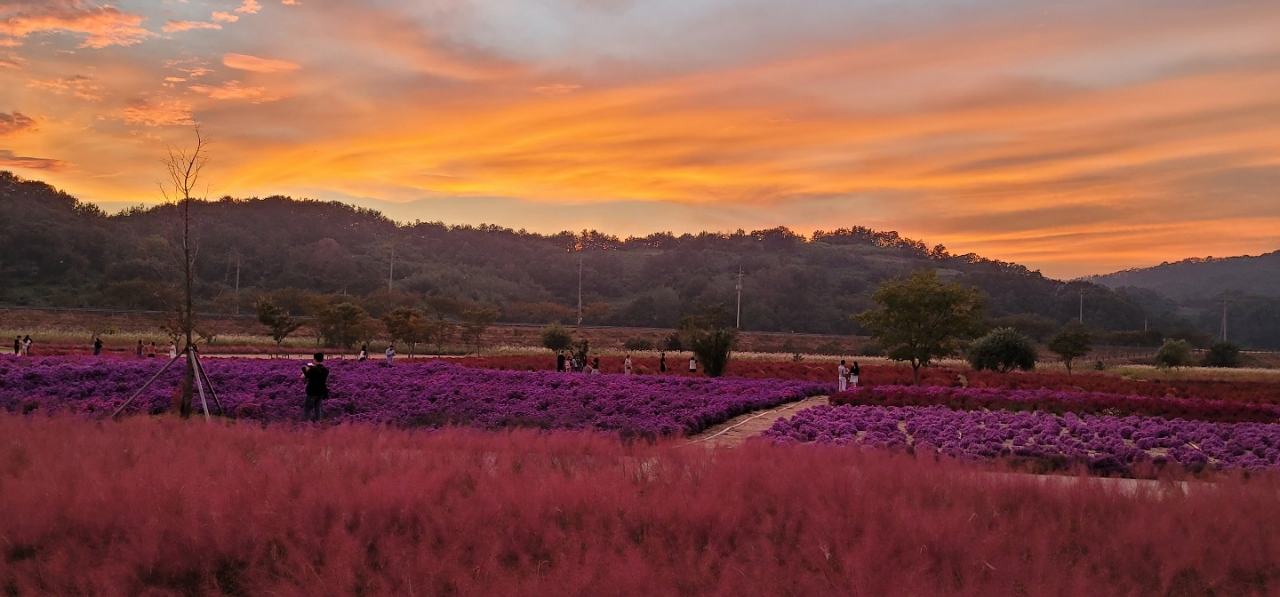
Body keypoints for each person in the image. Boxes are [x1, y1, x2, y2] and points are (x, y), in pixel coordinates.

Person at [301, 352, 330, 422]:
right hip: (321, 392)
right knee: (318, 408)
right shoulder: (326, 370)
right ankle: (318, 423)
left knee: (307, 409)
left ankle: (306, 424)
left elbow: (302, 377)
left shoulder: (313, 370)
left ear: (315, 359)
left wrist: (307, 370)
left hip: (312, 392)